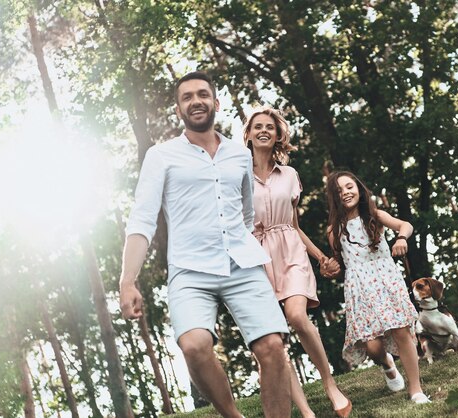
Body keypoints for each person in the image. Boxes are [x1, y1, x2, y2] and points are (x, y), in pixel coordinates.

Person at [119, 72, 291, 418]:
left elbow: (244, 212)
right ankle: (234, 416)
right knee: (195, 346)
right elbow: (143, 218)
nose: (195, 101)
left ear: (216, 102)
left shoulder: (239, 155)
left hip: (241, 265)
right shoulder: (161, 155)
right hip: (189, 270)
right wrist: (127, 280)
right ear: (178, 108)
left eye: (202, 94)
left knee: (272, 346)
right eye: (187, 97)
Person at [243, 106, 352, 418]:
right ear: (248, 135)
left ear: (278, 135)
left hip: (290, 251)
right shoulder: (236, 176)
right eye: (257, 126)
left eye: (270, 127)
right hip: (255, 257)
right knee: (272, 338)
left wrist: (320, 257)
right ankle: (306, 412)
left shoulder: (290, 176)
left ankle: (330, 384)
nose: (264, 130)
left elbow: (293, 226)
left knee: (296, 315)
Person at [324, 171, 431, 404]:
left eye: (349, 186)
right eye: (339, 190)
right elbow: (340, 264)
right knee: (372, 346)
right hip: (359, 288)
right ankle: (387, 364)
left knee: (402, 331)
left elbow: (405, 225)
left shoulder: (375, 215)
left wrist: (401, 238)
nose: (346, 193)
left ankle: (416, 390)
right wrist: (331, 269)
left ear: (359, 189)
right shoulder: (334, 230)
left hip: (386, 278)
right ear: (334, 197)